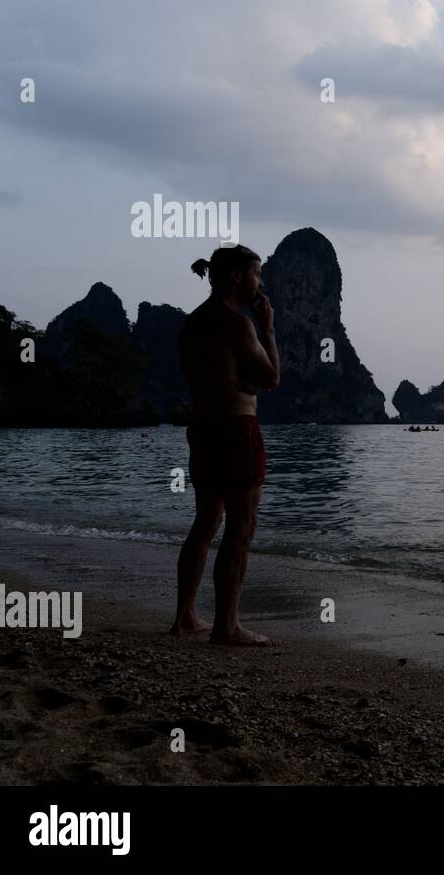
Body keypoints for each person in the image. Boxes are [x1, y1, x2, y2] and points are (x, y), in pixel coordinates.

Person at [170, 246, 281, 647]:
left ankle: (185, 616)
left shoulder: (194, 322)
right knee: (241, 527)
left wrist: (248, 380)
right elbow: (272, 377)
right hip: (236, 429)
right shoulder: (238, 323)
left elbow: (216, 375)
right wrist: (267, 329)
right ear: (236, 276)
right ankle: (227, 626)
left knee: (205, 523)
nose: (260, 283)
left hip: (203, 428)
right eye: (257, 274)